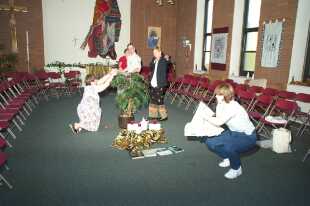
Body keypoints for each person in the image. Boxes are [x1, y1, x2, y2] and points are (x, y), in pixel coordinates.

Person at [203, 83, 256, 179]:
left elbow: (218, 122)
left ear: (226, 95)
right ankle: (228, 157)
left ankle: (236, 169)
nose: (215, 96)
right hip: (234, 133)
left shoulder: (233, 106)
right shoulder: (221, 104)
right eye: (216, 94)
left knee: (228, 146)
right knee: (209, 141)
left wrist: (204, 116)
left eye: (218, 94)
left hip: (248, 137)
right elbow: (218, 120)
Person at [69, 69, 118, 134]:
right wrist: (112, 76)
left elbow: (101, 80)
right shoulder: (93, 88)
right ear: (91, 82)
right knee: (94, 128)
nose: (96, 80)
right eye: (94, 80)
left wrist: (110, 73)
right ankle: (77, 125)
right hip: (88, 110)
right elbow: (105, 85)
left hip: (85, 109)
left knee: (88, 121)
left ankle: (78, 127)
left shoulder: (89, 86)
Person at [148, 46, 169, 121]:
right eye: (154, 53)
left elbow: (167, 64)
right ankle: (153, 115)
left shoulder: (163, 61)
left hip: (160, 83)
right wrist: (154, 61)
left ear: (160, 53)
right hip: (153, 83)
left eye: (156, 53)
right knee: (153, 99)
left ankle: (164, 116)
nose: (154, 54)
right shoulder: (154, 60)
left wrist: (166, 59)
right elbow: (150, 66)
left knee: (159, 100)